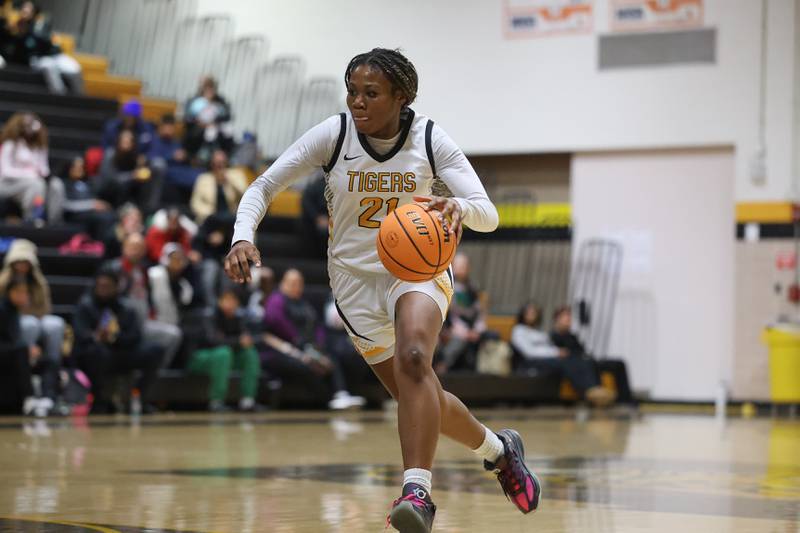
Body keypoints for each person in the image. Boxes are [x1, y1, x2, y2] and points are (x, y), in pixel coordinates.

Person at [224, 48, 540, 531]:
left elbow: (489, 213)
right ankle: (500, 451)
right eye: (351, 91)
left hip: (417, 270)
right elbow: (263, 186)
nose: (357, 102)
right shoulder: (334, 135)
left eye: (370, 93)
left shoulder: (430, 139)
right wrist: (242, 234)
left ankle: (417, 493)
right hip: (354, 282)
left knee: (415, 360)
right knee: (421, 394)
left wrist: (457, 206)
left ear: (402, 96)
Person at [262, 268, 365, 410]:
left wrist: (319, 344)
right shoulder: (276, 300)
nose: (296, 286)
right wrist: (301, 344)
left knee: (331, 357)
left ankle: (341, 394)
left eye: (299, 283)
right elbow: (277, 322)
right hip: (285, 349)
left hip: (310, 347)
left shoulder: (304, 304)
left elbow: (317, 325)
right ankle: (328, 399)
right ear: (283, 283)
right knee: (310, 365)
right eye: (292, 282)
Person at [71, 268, 161, 414]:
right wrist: (97, 337)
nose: (103, 290)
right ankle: (100, 401)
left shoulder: (126, 308)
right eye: (101, 286)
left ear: (116, 287)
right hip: (95, 355)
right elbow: (80, 335)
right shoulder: (85, 306)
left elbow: (135, 337)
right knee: (97, 352)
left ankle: (140, 398)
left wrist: (115, 337)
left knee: (155, 350)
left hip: (121, 352)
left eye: (107, 286)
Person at [512, 302, 614, 407]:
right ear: (522, 315)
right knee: (565, 363)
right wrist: (556, 352)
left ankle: (594, 389)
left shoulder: (538, 332)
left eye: (534, 313)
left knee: (577, 361)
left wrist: (556, 352)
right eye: (529, 313)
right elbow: (529, 352)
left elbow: (548, 347)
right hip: (529, 363)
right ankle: (586, 392)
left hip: (546, 360)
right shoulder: (519, 331)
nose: (533, 315)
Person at [106, 233, 182, 369]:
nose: (137, 251)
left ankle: (157, 372)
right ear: (124, 247)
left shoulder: (143, 270)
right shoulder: (114, 269)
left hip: (144, 322)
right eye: (133, 246)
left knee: (173, 334)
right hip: (122, 325)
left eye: (140, 248)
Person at [0, 238, 63, 403]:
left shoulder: (39, 283)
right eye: (18, 261)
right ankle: (27, 362)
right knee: (29, 324)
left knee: (55, 324)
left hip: (36, 318)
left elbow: (45, 308)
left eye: (25, 261)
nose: (22, 265)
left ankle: (53, 368)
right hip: (11, 327)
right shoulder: (2, 282)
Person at [188, 289, 261, 412]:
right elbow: (213, 341)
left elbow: (245, 339)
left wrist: (245, 340)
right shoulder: (209, 316)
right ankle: (216, 401)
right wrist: (238, 341)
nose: (230, 304)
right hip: (199, 357)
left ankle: (248, 401)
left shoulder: (237, 319)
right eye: (226, 300)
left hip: (226, 358)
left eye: (233, 301)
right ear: (219, 301)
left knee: (250, 353)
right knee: (224, 353)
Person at [550, 306, 635, 406]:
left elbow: (582, 351)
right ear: (557, 319)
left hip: (589, 361)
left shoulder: (572, 335)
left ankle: (625, 399)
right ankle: (597, 395)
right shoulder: (553, 336)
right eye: (565, 316)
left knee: (619, 364)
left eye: (569, 316)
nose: (569, 319)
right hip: (579, 365)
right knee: (588, 363)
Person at [0, 277, 55, 416]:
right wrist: (25, 349)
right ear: (10, 292)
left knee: (50, 360)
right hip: (5, 353)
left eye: (25, 293)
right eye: (19, 292)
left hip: (12, 352)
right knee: (21, 350)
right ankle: (28, 397)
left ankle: (48, 399)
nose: (23, 296)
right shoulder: (2, 309)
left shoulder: (16, 311)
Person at [0, 1, 83, 94]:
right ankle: (60, 95)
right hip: (39, 59)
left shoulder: (42, 24)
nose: (25, 10)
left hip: (55, 55)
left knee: (75, 68)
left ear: (34, 12)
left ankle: (79, 95)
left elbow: (50, 42)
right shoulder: (20, 26)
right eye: (24, 8)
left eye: (28, 8)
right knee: (49, 66)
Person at [0, 112, 64, 223]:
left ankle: (54, 221)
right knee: (36, 184)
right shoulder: (10, 144)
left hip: (33, 181)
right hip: (8, 184)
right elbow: (6, 171)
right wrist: (29, 174)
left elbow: (44, 168)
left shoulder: (40, 147)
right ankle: (32, 218)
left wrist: (44, 175)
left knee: (56, 185)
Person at [436, 253, 487, 374]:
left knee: (490, 337)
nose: (461, 269)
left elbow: (479, 312)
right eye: (458, 265)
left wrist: (478, 330)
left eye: (464, 266)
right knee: (458, 340)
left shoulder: (472, 288)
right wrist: (465, 333)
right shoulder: (447, 286)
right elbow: (450, 315)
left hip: (470, 328)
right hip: (451, 328)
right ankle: (441, 367)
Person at [96, 130, 162, 213]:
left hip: (128, 195)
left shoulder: (136, 157)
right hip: (109, 193)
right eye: (124, 141)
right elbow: (110, 180)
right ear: (118, 142)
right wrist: (132, 176)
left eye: (129, 141)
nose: (126, 144)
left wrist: (140, 167)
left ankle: (149, 209)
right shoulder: (110, 155)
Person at [59, 156, 116, 239]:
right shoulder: (63, 183)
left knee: (112, 215)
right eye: (76, 167)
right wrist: (91, 205)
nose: (79, 170)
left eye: (81, 167)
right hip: (74, 214)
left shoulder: (88, 183)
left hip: (90, 213)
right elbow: (66, 205)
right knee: (103, 218)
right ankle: (101, 245)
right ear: (69, 168)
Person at [183, 76, 234, 165]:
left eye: (211, 87)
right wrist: (198, 122)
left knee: (226, 131)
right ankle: (199, 156)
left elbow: (227, 116)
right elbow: (187, 117)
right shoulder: (194, 100)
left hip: (215, 126)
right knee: (203, 132)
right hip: (197, 128)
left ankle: (221, 156)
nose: (209, 90)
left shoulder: (220, 101)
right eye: (206, 87)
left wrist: (215, 122)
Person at [190, 149, 248, 224]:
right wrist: (210, 213)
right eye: (217, 163)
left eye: (222, 163)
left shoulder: (236, 175)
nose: (220, 166)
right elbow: (195, 203)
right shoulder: (203, 179)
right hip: (209, 218)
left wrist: (228, 179)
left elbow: (245, 194)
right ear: (212, 164)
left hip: (231, 218)